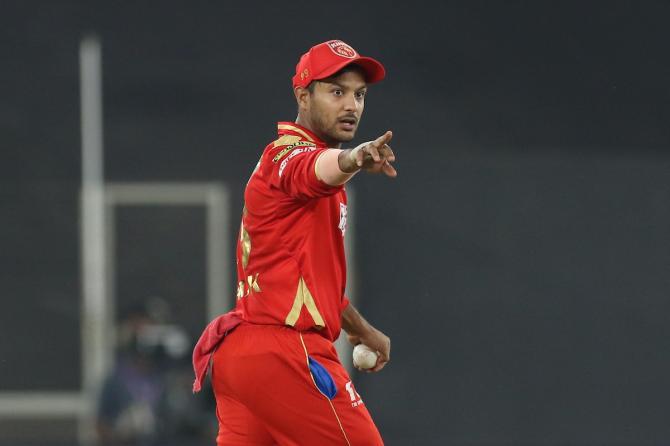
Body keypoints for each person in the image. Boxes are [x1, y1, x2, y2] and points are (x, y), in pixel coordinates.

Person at [192, 39, 397, 445]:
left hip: (242, 357)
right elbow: (314, 169)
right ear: (303, 96)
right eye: (336, 92)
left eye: (359, 95)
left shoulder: (311, 180)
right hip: (284, 353)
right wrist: (354, 158)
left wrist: (359, 328)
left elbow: (310, 277)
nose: (351, 106)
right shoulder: (286, 155)